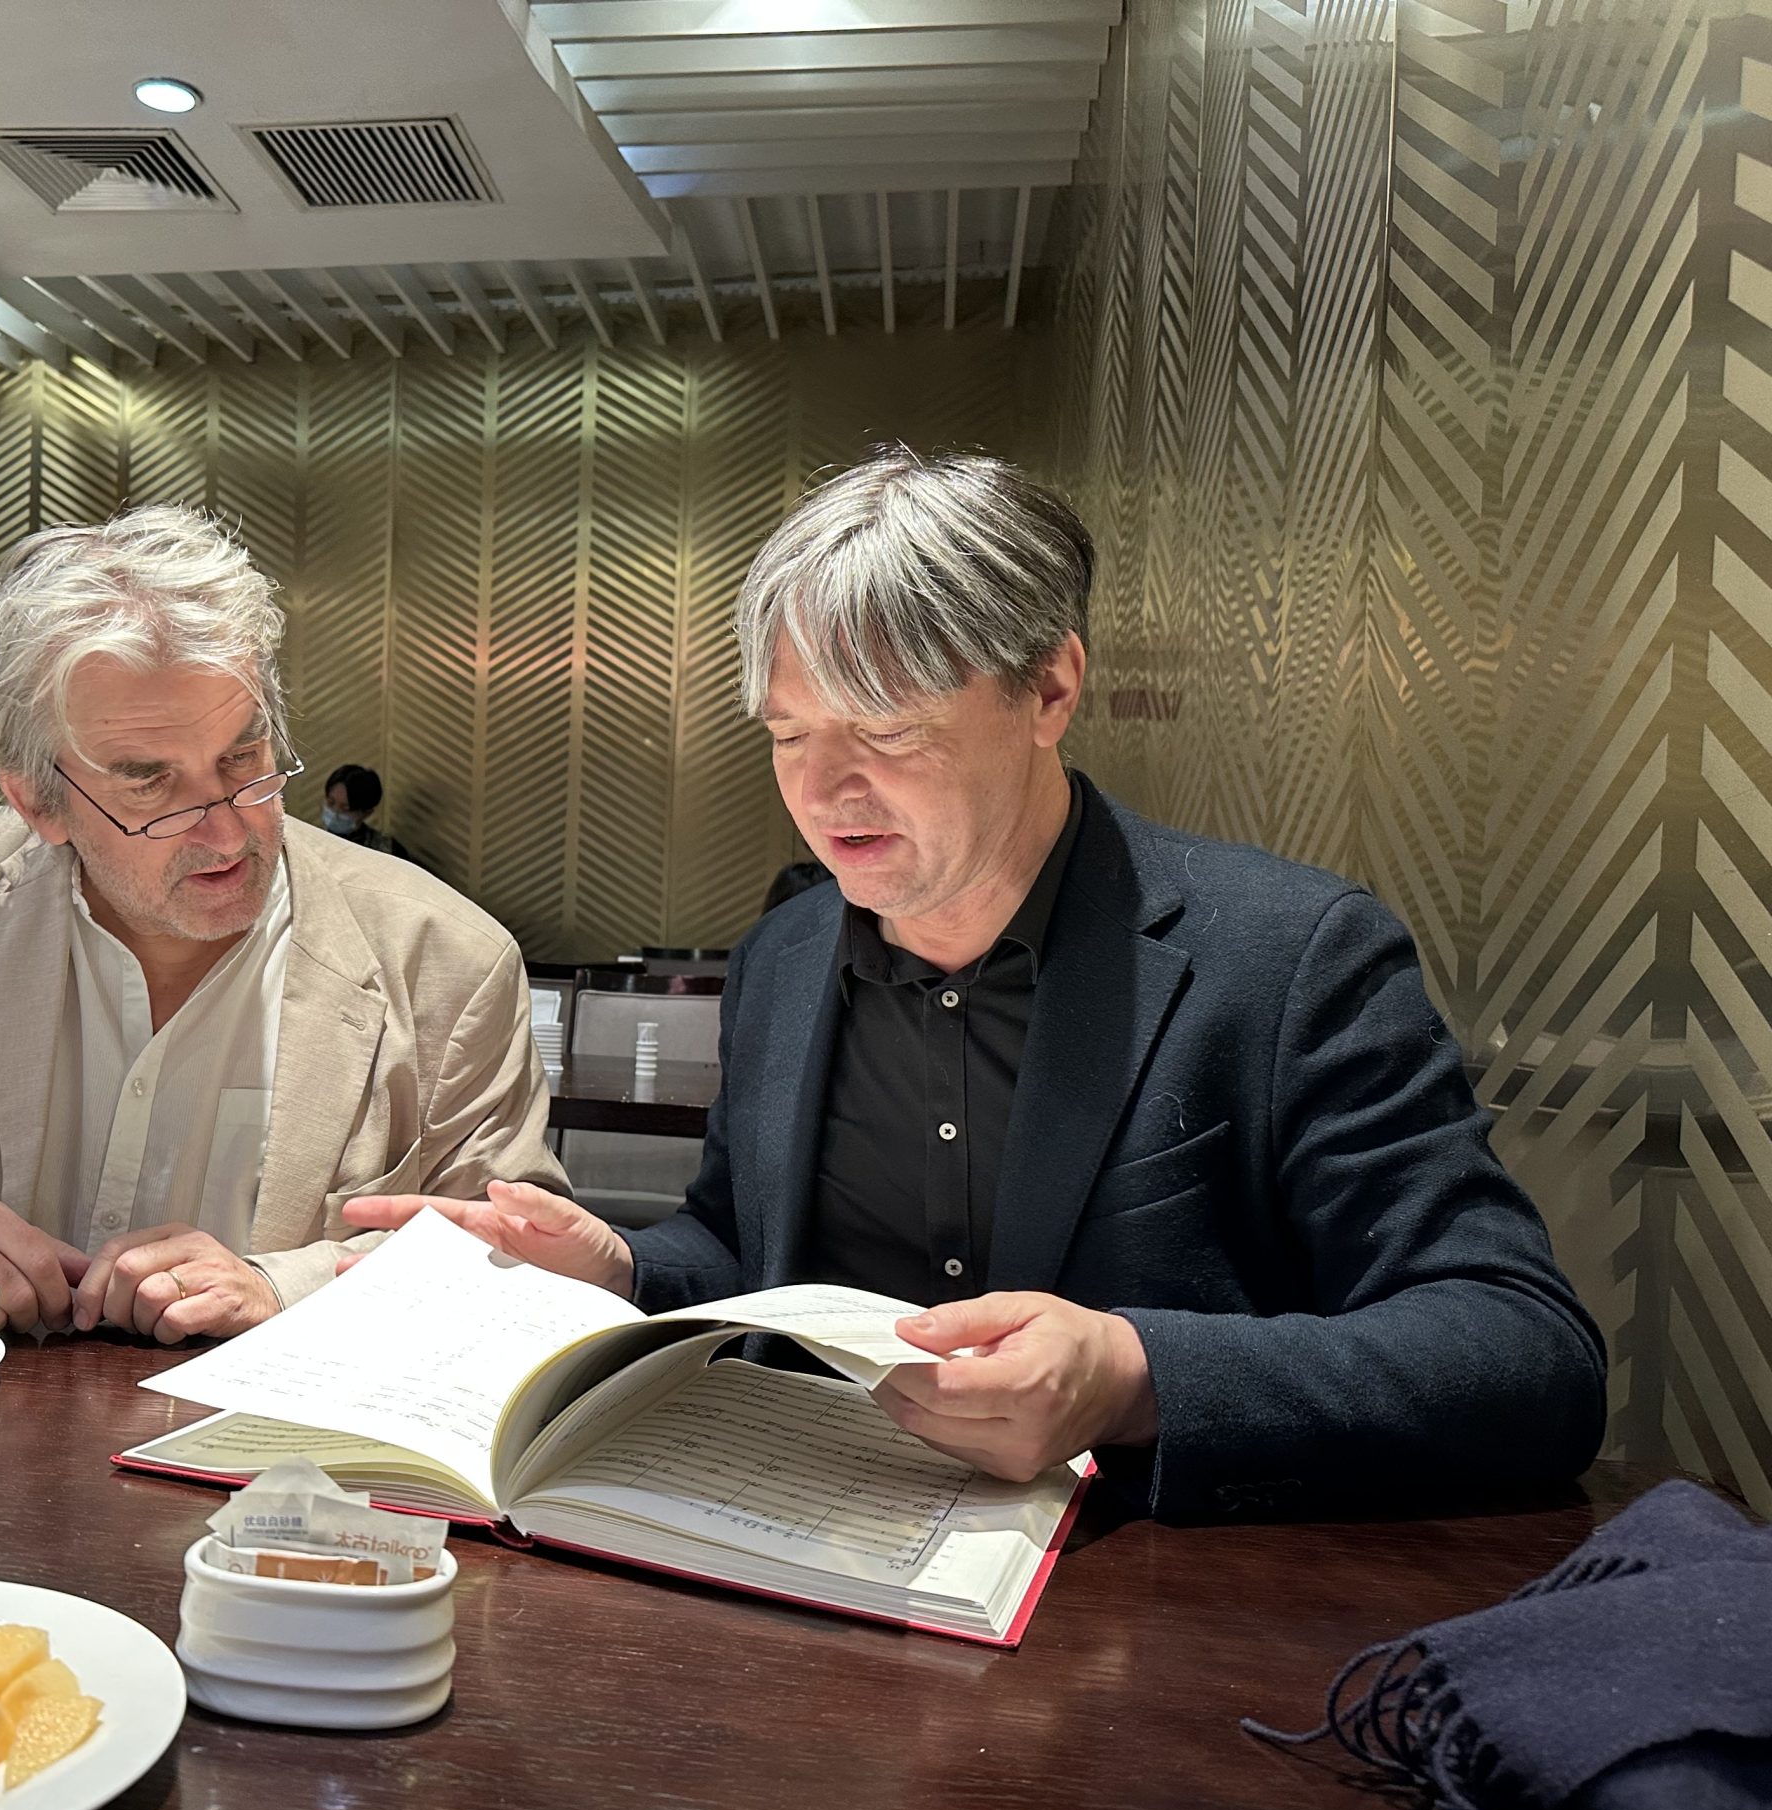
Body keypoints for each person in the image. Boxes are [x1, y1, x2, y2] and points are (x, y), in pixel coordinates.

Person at [348, 447, 1608, 1522]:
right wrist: (621, 1267)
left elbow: (1524, 1356)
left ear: (1048, 688)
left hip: (1140, 1639)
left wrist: (1129, 1373)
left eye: (886, 731)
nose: (825, 789)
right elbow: (745, 1253)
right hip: (805, 1550)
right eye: (790, 735)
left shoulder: (1288, 957)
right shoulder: (787, 959)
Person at [0, 505, 562, 1341]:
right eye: (148, 783)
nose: (228, 830)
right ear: (36, 803)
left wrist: (285, 1287)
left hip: (286, 1460)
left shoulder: (446, 956)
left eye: (244, 757)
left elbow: (524, 1261)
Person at [320, 763, 411, 860]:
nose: (335, 812)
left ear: (367, 813)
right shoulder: (311, 839)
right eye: (330, 803)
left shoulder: (389, 852)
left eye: (346, 808)